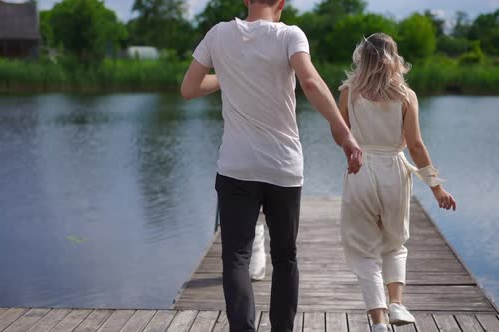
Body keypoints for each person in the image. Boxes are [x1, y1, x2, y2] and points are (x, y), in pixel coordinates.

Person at [180, 0, 363, 331]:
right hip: (283, 167)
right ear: (281, 2)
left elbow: (189, 89)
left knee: (236, 257)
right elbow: (309, 81)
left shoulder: (218, 34)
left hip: (236, 168)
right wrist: (343, 131)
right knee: (285, 257)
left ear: (247, 0)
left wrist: (226, 73)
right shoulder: (290, 35)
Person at [338, 33, 457, 331]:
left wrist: (353, 151)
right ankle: (397, 304)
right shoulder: (406, 95)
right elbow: (415, 145)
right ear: (395, 59)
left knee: (363, 249)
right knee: (394, 243)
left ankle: (378, 322)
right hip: (394, 169)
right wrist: (436, 187)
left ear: (361, 57)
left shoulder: (349, 91)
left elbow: (340, 131)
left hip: (360, 169)